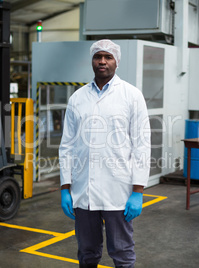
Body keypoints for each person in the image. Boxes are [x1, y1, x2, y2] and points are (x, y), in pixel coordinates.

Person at [59, 39, 151, 268]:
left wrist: (138, 191)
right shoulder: (77, 98)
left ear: (116, 62)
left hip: (118, 191)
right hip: (83, 191)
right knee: (87, 252)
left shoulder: (131, 96)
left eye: (108, 57)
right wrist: (65, 188)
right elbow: (67, 145)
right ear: (92, 61)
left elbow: (142, 144)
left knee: (122, 252)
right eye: (97, 56)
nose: (102, 61)